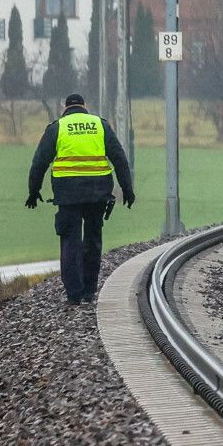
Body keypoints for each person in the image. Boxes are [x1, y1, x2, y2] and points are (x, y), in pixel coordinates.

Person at [26, 92, 135, 306]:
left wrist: (34, 191)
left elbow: (39, 162)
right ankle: (89, 291)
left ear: (65, 108)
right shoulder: (99, 125)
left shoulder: (58, 127)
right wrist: (127, 188)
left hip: (68, 194)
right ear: (85, 106)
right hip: (97, 192)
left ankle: (74, 294)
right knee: (93, 240)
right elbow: (119, 158)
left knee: (70, 242)